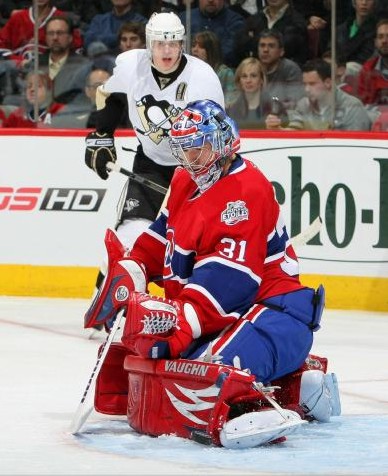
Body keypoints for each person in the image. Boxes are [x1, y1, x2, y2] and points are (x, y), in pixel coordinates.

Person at [84, 99, 341, 448]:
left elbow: (230, 283)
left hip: (275, 313)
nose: (191, 161)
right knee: (165, 363)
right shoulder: (186, 182)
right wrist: (135, 267)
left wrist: (179, 322)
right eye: (184, 151)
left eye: (198, 150)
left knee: (206, 371)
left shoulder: (244, 192)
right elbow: (162, 237)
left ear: (223, 143)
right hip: (227, 317)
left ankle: (262, 402)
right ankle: (302, 384)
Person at [83, 11, 224, 332]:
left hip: (193, 171)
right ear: (149, 43)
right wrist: (101, 135)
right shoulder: (131, 65)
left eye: (173, 43)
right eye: (160, 43)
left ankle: (197, 309)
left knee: (192, 244)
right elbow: (112, 96)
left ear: (182, 44)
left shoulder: (203, 78)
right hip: (150, 163)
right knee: (130, 236)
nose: (167, 51)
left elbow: (215, 133)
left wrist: (204, 174)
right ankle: (107, 301)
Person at [266, 59, 371, 131]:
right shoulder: (303, 104)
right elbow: (295, 132)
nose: (306, 89)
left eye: (312, 84)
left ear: (328, 83)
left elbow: (356, 146)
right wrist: (278, 129)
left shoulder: (352, 107)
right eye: (304, 84)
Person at [234, 0, 309, 67]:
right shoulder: (255, 18)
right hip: (256, 70)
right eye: (262, 45)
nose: (265, 49)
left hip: (285, 72)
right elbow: (240, 43)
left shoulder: (297, 21)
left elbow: (285, 47)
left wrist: (253, 40)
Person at [178, 0, 245, 68]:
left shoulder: (235, 21)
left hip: (220, 71)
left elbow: (230, 52)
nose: (210, 1)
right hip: (187, 68)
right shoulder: (184, 18)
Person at [226, 56, 288, 129]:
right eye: (244, 76)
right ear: (239, 81)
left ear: (261, 80)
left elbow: (289, 135)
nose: (248, 80)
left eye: (253, 76)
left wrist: (278, 129)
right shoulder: (231, 109)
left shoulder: (276, 106)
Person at [257, 29, 304, 111]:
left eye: (271, 46)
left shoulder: (290, 69)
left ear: (281, 51)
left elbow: (294, 102)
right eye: (262, 45)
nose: (265, 50)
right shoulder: (253, 68)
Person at [191, 30, 238, 107]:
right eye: (193, 45)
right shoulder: (188, 73)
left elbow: (231, 102)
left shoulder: (225, 73)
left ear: (211, 50)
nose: (195, 50)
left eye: (201, 47)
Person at [358, 19, 388, 106]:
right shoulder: (367, 69)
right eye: (380, 37)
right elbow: (362, 105)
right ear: (375, 42)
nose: (384, 41)